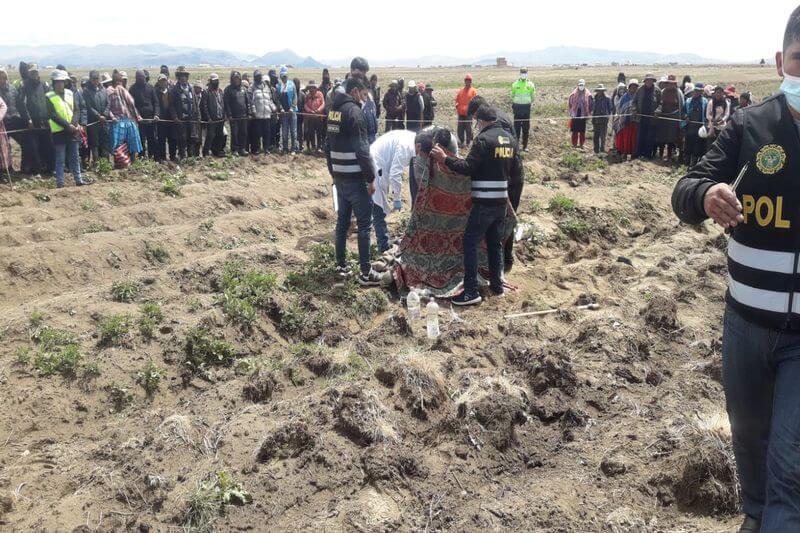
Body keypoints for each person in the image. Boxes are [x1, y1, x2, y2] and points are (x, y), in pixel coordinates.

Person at [671, 10, 800, 531]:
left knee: (790, 465)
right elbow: (685, 188)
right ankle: (752, 515)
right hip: (744, 326)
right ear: (779, 64)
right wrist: (707, 195)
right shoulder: (750, 127)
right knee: (749, 435)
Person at [430, 104, 520, 306]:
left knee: (470, 242)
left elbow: (468, 167)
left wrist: (445, 160)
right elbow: (514, 170)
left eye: (477, 121)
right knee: (495, 244)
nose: (476, 125)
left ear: (481, 120)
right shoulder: (510, 141)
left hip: (484, 203)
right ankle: (497, 285)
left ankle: (470, 291)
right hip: (500, 203)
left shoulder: (483, 140)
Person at [325, 74, 381, 286]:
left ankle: (341, 266)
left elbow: (327, 146)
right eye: (364, 94)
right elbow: (362, 149)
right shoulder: (354, 112)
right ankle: (366, 273)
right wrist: (370, 178)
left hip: (339, 177)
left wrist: (333, 172)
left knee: (342, 223)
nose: (365, 99)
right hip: (356, 179)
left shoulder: (333, 111)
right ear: (356, 91)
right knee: (365, 225)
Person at [368, 129, 417, 252]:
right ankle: (383, 246)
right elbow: (395, 174)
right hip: (376, 166)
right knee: (378, 208)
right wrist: (397, 199)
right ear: (419, 146)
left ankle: (383, 240)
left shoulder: (411, 138)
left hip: (378, 163)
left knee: (378, 206)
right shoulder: (407, 147)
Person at [46, 70, 85, 187]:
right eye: (57, 82)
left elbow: (76, 109)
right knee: (60, 158)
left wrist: (74, 123)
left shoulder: (69, 93)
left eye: (62, 82)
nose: (60, 84)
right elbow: (52, 115)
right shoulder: (49, 96)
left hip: (72, 130)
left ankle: (78, 180)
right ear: (53, 83)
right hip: (59, 132)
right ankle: (60, 182)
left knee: (75, 157)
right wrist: (68, 126)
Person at [17, 63, 54, 176]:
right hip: (32, 123)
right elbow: (21, 105)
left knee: (47, 146)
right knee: (34, 148)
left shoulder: (44, 85)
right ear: (29, 73)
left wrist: (50, 117)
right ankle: (36, 171)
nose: (34, 73)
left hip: (45, 121)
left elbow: (50, 102)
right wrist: (28, 119)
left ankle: (49, 169)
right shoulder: (24, 86)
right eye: (32, 71)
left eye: (36, 71)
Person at [106, 70, 143, 162]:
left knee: (121, 144)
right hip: (121, 121)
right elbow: (131, 102)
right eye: (119, 81)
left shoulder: (108, 91)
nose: (119, 83)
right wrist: (137, 116)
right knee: (128, 143)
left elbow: (108, 108)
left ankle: (122, 162)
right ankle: (128, 162)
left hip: (120, 121)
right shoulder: (118, 89)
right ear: (117, 81)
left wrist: (112, 117)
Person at [0, 67, 31, 174]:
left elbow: (21, 106)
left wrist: (27, 119)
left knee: (26, 142)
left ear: (6, 76)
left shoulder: (13, 89)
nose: (2, 78)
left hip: (15, 120)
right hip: (2, 123)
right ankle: (6, 169)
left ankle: (25, 167)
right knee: (4, 147)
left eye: (3, 76)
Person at [129, 70, 160, 160]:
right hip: (139, 120)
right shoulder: (132, 89)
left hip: (151, 119)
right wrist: (137, 115)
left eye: (143, 78)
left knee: (152, 139)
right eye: (139, 78)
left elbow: (156, 103)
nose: (142, 79)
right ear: (136, 78)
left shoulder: (150, 87)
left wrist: (156, 114)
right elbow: (132, 105)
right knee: (141, 140)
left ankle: (151, 156)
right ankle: (141, 157)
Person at [654, 74, 684, 161]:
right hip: (663, 118)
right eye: (669, 83)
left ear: (675, 84)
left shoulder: (679, 93)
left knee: (672, 137)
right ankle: (660, 155)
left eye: (672, 83)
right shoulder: (663, 91)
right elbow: (660, 103)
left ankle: (670, 155)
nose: (670, 85)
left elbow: (681, 106)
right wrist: (658, 111)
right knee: (662, 137)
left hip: (674, 118)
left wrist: (680, 118)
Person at [168, 66, 195, 161]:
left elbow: (194, 102)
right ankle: (182, 155)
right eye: (181, 76)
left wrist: (196, 115)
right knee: (182, 138)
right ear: (178, 77)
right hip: (180, 118)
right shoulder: (174, 89)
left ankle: (190, 155)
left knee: (191, 137)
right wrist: (175, 117)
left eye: (185, 75)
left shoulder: (191, 88)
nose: (183, 77)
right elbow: (171, 105)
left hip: (191, 118)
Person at [633, 73, 662, 159]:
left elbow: (661, 103)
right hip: (641, 118)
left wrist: (657, 111)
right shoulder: (640, 90)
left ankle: (647, 155)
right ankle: (639, 154)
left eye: (651, 80)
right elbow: (634, 102)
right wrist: (634, 110)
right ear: (645, 81)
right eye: (647, 80)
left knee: (650, 137)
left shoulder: (657, 90)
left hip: (652, 119)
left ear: (653, 81)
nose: (649, 82)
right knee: (640, 136)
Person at [250, 70, 276, 155]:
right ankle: (256, 149)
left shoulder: (266, 87)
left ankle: (266, 148)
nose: (259, 78)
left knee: (267, 133)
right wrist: (253, 110)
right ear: (254, 77)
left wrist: (273, 108)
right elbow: (251, 101)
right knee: (257, 133)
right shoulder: (252, 87)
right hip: (258, 115)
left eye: (259, 76)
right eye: (257, 76)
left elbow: (269, 99)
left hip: (267, 114)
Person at [224, 70, 250, 156]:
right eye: (235, 79)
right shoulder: (228, 89)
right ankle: (234, 150)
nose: (236, 80)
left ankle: (242, 149)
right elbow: (226, 103)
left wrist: (248, 112)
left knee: (244, 133)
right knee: (234, 133)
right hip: (234, 117)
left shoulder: (243, 89)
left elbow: (247, 102)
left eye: (238, 79)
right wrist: (229, 115)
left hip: (243, 115)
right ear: (232, 79)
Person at [682, 83, 708, 168]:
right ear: (694, 91)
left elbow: (707, 115)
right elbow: (683, 112)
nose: (698, 92)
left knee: (697, 147)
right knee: (687, 145)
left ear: (702, 92)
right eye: (696, 91)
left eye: (700, 91)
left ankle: (693, 165)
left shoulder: (705, 102)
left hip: (699, 128)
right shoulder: (688, 101)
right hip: (689, 127)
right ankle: (685, 164)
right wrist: (685, 116)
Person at [201, 73, 227, 157]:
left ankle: (217, 151)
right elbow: (204, 106)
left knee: (220, 135)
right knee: (210, 136)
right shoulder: (206, 92)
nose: (215, 82)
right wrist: (208, 118)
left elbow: (223, 104)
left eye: (217, 81)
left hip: (220, 118)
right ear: (210, 82)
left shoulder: (220, 91)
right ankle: (205, 152)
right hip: (211, 119)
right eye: (214, 81)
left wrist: (225, 115)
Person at [511, 67, 536, 151]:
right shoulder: (515, 84)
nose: (523, 74)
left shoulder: (530, 84)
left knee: (526, 128)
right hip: (517, 108)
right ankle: (516, 146)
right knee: (516, 128)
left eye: (525, 72)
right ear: (520, 73)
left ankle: (525, 146)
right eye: (522, 72)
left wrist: (526, 102)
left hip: (526, 108)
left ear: (527, 73)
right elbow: (512, 95)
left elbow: (533, 97)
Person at [613, 79, 639, 160]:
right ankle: (624, 154)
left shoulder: (638, 96)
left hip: (635, 121)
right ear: (629, 87)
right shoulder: (625, 96)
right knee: (626, 138)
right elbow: (619, 108)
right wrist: (623, 115)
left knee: (634, 139)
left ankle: (633, 155)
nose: (633, 88)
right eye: (632, 86)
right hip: (625, 121)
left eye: (635, 86)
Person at [277, 67, 298, 154]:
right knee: (284, 132)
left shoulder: (292, 85)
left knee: (293, 131)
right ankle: (285, 148)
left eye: (285, 76)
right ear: (280, 77)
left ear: (287, 76)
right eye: (282, 76)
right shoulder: (278, 86)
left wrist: (292, 107)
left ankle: (293, 148)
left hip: (292, 112)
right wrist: (281, 108)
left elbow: (295, 97)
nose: (284, 78)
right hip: (284, 113)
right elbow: (277, 99)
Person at [154, 74, 175, 161]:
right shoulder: (155, 92)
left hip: (170, 120)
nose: (163, 82)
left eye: (164, 80)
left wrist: (174, 116)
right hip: (160, 120)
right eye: (161, 81)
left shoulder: (170, 91)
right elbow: (156, 104)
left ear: (167, 82)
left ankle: (172, 156)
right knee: (161, 140)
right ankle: (162, 157)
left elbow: (173, 105)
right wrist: (156, 114)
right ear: (158, 82)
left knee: (172, 139)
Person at [568, 79, 593, 148]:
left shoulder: (588, 94)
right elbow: (570, 104)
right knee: (575, 130)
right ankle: (574, 144)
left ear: (584, 85)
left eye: (582, 85)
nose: (581, 86)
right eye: (580, 85)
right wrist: (571, 112)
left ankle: (581, 144)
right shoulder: (573, 94)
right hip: (575, 114)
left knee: (582, 131)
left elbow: (591, 104)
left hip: (583, 114)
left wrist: (588, 112)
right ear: (578, 85)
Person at [455, 74, 477, 148]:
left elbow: (476, 102)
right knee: (460, 128)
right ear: (465, 81)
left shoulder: (473, 91)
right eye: (466, 81)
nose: (468, 82)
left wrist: (474, 112)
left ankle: (468, 143)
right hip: (461, 113)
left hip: (469, 114)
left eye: (469, 81)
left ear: (471, 82)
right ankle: (461, 142)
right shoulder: (461, 90)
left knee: (468, 128)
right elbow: (457, 100)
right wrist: (457, 107)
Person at [303, 81, 325, 153]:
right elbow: (305, 105)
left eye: (312, 87)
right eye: (310, 88)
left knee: (319, 132)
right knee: (311, 132)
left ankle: (319, 147)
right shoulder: (307, 96)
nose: (311, 89)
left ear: (315, 88)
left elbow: (323, 103)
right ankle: (313, 146)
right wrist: (310, 111)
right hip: (311, 117)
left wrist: (318, 110)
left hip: (319, 117)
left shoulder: (320, 94)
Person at [591, 84, 612, 154]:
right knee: (596, 135)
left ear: (603, 91)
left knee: (603, 135)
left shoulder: (607, 99)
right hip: (595, 119)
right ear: (597, 91)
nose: (600, 92)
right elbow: (592, 108)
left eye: (601, 91)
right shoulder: (594, 98)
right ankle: (596, 150)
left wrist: (607, 115)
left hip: (604, 119)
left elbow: (610, 109)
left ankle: (602, 149)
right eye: (598, 91)